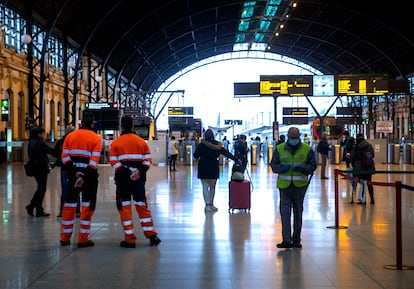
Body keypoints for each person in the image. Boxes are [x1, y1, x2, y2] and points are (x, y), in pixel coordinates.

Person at [109, 116, 161, 248]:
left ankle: (130, 239)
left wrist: (128, 173)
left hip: (123, 182)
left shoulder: (115, 143)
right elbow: (148, 161)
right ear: (133, 127)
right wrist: (138, 172)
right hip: (139, 182)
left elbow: (114, 162)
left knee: (125, 208)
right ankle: (152, 235)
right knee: (142, 206)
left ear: (121, 127)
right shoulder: (142, 143)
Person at [59, 111, 102, 248]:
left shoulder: (70, 137)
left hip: (72, 177)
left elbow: (65, 158)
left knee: (69, 205)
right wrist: (83, 176)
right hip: (89, 178)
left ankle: (65, 238)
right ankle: (83, 239)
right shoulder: (96, 139)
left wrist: (75, 174)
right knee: (87, 206)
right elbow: (93, 161)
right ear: (92, 123)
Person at [270, 126, 317, 249]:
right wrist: (281, 169)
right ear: (288, 137)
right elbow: (274, 165)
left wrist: (304, 170)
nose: (294, 140)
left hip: (300, 187)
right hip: (284, 187)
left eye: (295, 137)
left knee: (298, 213)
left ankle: (296, 239)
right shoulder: (279, 149)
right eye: (292, 138)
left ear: (299, 136)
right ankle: (287, 240)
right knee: (285, 214)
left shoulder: (307, 149)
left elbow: (313, 165)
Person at [193, 129, 238, 212]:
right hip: (213, 165)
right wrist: (236, 159)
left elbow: (195, 155)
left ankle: (207, 205)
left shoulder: (201, 145)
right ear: (213, 135)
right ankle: (211, 204)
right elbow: (226, 153)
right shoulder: (217, 145)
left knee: (205, 187)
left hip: (203, 165)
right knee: (212, 187)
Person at [25, 126, 55, 217]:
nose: (43, 135)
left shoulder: (31, 143)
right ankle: (31, 206)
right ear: (39, 134)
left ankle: (38, 210)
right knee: (42, 189)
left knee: (40, 188)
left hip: (34, 167)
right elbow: (51, 151)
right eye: (42, 133)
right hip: (41, 168)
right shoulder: (40, 143)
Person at [53, 125, 80, 218]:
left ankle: (62, 211)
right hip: (75, 168)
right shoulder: (76, 141)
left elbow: (55, 153)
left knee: (65, 189)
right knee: (76, 189)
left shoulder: (61, 142)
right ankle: (77, 211)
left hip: (65, 168)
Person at [350, 133, 375, 204]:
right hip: (368, 167)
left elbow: (352, 157)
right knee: (369, 183)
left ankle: (358, 199)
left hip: (358, 167)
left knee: (358, 183)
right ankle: (372, 199)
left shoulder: (355, 147)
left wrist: (353, 164)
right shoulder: (368, 145)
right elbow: (372, 155)